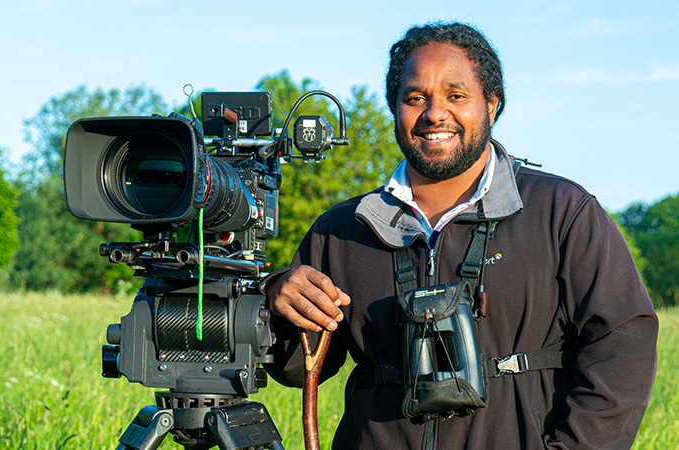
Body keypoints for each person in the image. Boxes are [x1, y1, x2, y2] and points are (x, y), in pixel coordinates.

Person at [263, 21, 658, 450]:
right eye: (415, 98)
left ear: (492, 104)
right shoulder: (344, 228)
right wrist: (276, 297)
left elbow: (624, 341)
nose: (434, 113)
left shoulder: (562, 211)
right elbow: (294, 369)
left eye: (456, 95)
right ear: (394, 108)